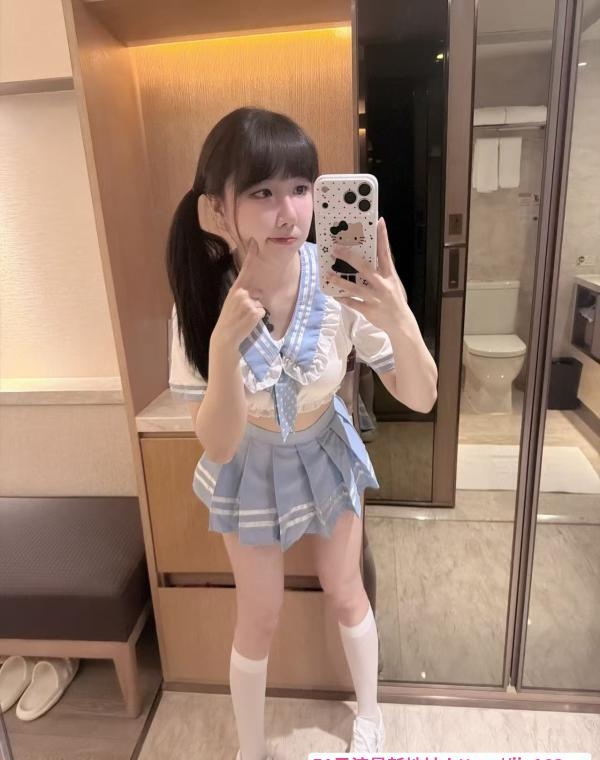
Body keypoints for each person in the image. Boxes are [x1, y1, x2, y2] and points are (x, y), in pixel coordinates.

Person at [166, 106, 438, 760]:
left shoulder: (342, 281)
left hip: (325, 448)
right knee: (259, 614)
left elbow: (422, 397)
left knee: (345, 590)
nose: (288, 212)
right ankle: (250, 747)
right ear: (216, 209)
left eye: (299, 188)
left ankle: (370, 718)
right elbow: (219, 445)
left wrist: (400, 317)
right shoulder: (200, 301)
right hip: (250, 461)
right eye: (262, 193)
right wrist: (224, 349)